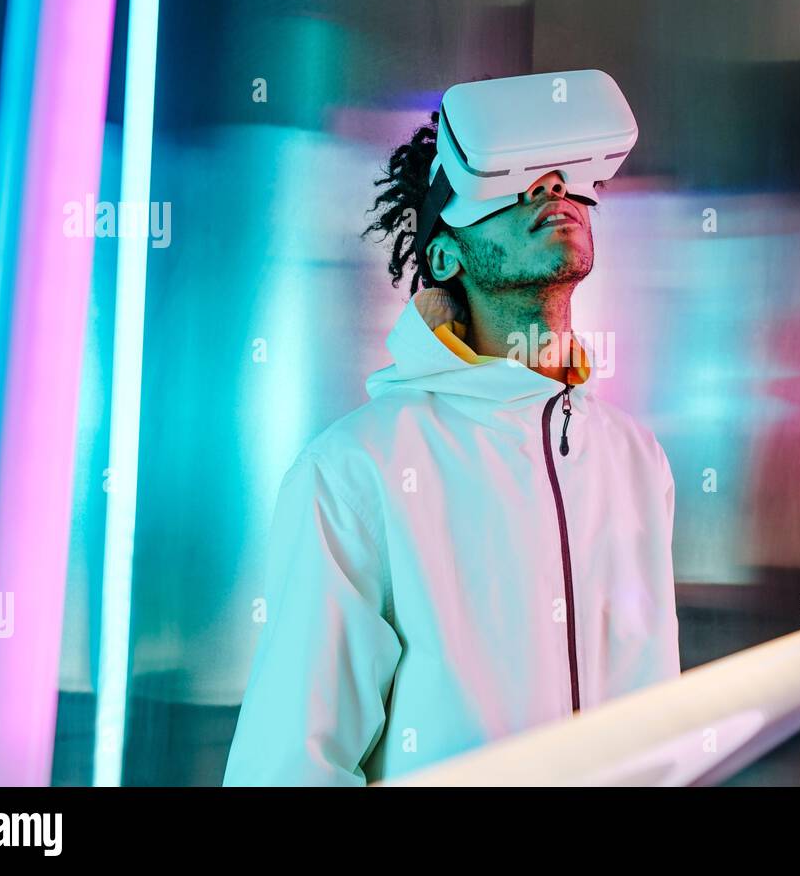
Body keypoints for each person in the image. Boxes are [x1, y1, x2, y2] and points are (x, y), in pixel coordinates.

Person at [223, 78, 679, 786]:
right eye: (512, 182)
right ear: (445, 257)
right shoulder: (354, 471)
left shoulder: (635, 459)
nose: (549, 190)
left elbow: (656, 721)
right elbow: (290, 766)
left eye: (561, 180)